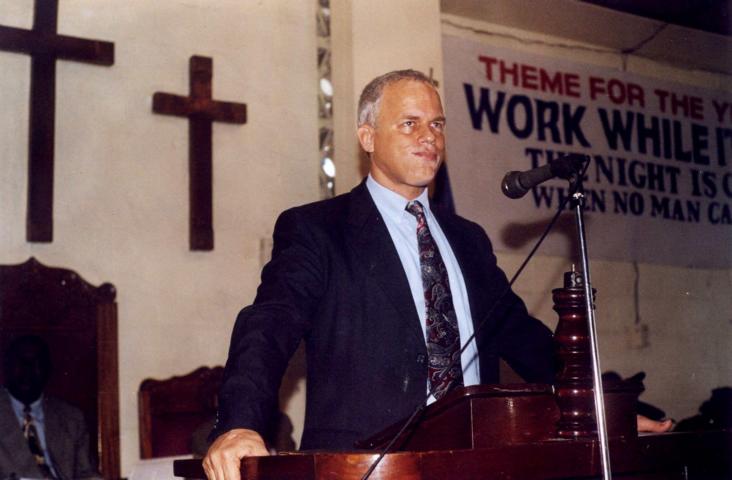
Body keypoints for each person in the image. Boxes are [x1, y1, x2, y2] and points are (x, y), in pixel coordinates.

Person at [203, 70, 670, 480]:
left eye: (437, 124)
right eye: (410, 123)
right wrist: (240, 424)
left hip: (480, 462)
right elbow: (267, 326)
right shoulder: (319, 229)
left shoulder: (467, 238)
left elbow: (523, 339)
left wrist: (603, 407)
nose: (429, 136)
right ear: (367, 137)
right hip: (365, 467)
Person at [0, 335, 100, 480]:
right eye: (20, 362)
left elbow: (86, 473)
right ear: (6, 367)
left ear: (47, 370)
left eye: (35, 362)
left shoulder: (71, 418)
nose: (27, 370)